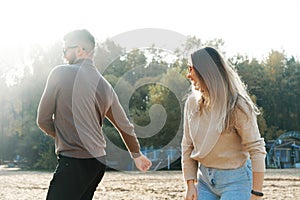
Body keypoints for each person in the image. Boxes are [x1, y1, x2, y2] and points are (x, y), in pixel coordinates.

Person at [37, 29, 152, 200]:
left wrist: (66, 135)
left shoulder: (60, 74)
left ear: (80, 50)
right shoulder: (105, 86)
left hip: (74, 161)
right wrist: (136, 154)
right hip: (97, 163)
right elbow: (124, 125)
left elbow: (43, 120)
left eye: (65, 50)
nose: (64, 55)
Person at [181, 47, 266, 200]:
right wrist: (190, 184)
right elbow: (187, 145)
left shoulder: (238, 106)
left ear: (206, 72)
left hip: (237, 181)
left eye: (191, 69)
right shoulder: (192, 104)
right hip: (205, 180)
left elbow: (256, 149)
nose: (188, 75)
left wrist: (256, 194)